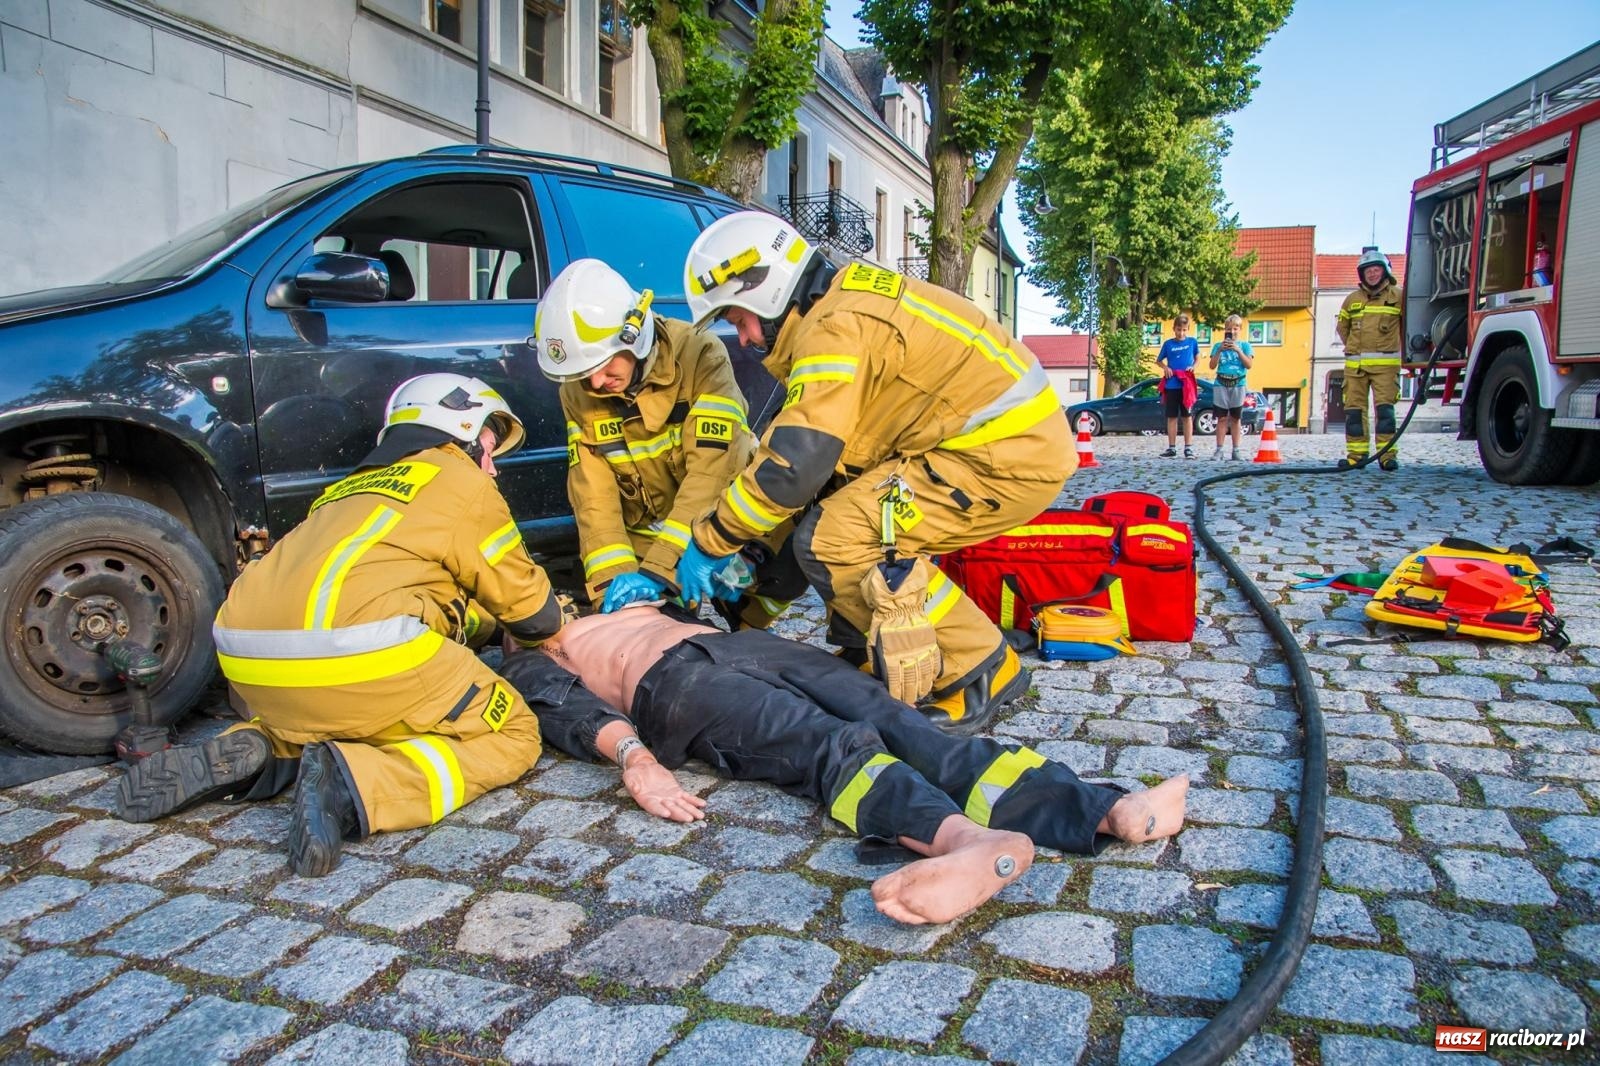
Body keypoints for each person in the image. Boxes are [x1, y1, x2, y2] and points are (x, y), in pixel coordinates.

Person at [116, 374, 568, 877]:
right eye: (487, 450)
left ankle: (265, 748)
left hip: (249, 658)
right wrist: (539, 632)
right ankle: (356, 785)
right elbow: (535, 613)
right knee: (512, 732)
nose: (493, 468)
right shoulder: (462, 483)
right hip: (367, 654)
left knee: (350, 705)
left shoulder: (343, 492)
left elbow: (387, 588)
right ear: (460, 432)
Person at [501, 604, 1190, 925]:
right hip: (676, 690)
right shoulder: (530, 657)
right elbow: (570, 712)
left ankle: (1101, 809)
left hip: (744, 646)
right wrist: (636, 761)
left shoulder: (620, 600)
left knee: (899, 721)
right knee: (826, 747)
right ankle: (966, 844)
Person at [671, 211, 1074, 735]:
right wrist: (755, 558)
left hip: (1002, 455)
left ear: (765, 292)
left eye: (737, 318)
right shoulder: (841, 305)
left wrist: (712, 540)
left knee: (837, 537)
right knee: (836, 512)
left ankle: (980, 668)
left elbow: (796, 463)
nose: (743, 339)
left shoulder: (834, 327)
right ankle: (872, 650)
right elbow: (821, 459)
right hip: (988, 442)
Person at [534, 258, 804, 629]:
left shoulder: (698, 355)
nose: (595, 383)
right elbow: (593, 496)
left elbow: (712, 470)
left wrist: (663, 568)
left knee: (775, 570)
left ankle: (748, 627)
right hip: (649, 528)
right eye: (583, 373)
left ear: (635, 334)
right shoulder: (578, 390)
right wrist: (614, 584)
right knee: (659, 625)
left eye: (603, 364)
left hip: (721, 514)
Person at [1336, 247, 1404, 471]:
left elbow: (1408, 327)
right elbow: (1342, 327)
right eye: (1368, 271)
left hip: (1386, 368)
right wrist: (1354, 348)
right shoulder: (1352, 300)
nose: (1372, 274)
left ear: (1384, 272)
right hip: (1355, 368)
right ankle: (1357, 455)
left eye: (1376, 270)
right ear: (1361, 274)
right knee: (1354, 413)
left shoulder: (1398, 297)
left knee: (1385, 413)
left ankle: (1387, 456)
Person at [1207, 314, 1255, 460]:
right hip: (1221, 383)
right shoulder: (1217, 346)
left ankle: (1236, 450)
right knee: (1221, 418)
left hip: (1238, 384)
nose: (1232, 332)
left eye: (1235, 329)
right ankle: (1219, 449)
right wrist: (1220, 350)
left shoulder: (1245, 346)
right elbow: (1212, 365)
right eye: (1229, 329)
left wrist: (1238, 350)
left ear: (1240, 329)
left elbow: (1249, 365)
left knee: (1236, 418)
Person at [1155, 314, 1199, 458]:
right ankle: (1172, 447)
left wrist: (1193, 366)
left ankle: (1188, 447)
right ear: (1174, 329)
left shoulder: (1192, 342)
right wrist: (1165, 368)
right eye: (1179, 329)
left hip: (1186, 384)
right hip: (1172, 384)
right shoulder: (1168, 344)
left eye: (1184, 330)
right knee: (1172, 416)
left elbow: (1197, 358)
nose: (1181, 333)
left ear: (1188, 330)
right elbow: (1159, 360)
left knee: (1187, 416)